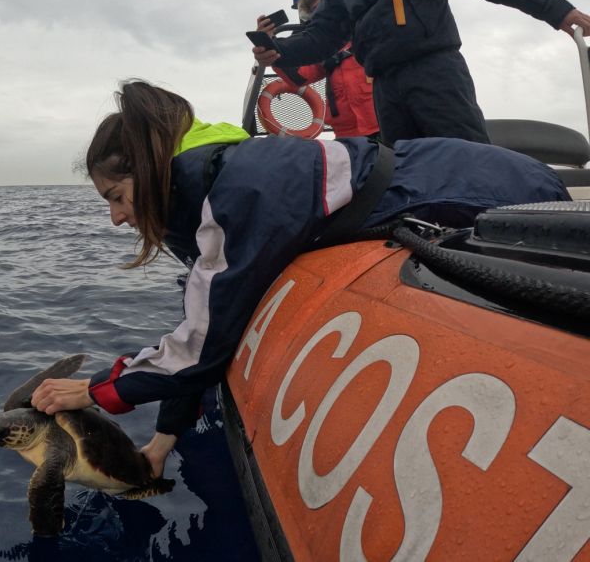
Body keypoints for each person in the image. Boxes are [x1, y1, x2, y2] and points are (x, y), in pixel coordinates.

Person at [30, 80, 570, 476]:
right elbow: (208, 315)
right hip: (462, 168)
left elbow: (201, 348)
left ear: (146, 171)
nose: (117, 219)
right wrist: (163, 439)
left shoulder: (232, 192)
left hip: (493, 187)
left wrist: (98, 390)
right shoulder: (214, 179)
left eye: (117, 198)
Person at [251, 0, 590, 144]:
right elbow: (321, 38)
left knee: (466, 158)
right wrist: (277, 50)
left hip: (435, 70)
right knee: (406, 173)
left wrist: (557, 10)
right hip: (384, 85)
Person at [259, 0, 380, 139]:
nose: (323, 16)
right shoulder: (321, 47)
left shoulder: (368, 28)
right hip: (346, 134)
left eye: (323, 9)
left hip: (382, 123)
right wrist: (273, 49)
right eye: (315, 13)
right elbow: (299, 76)